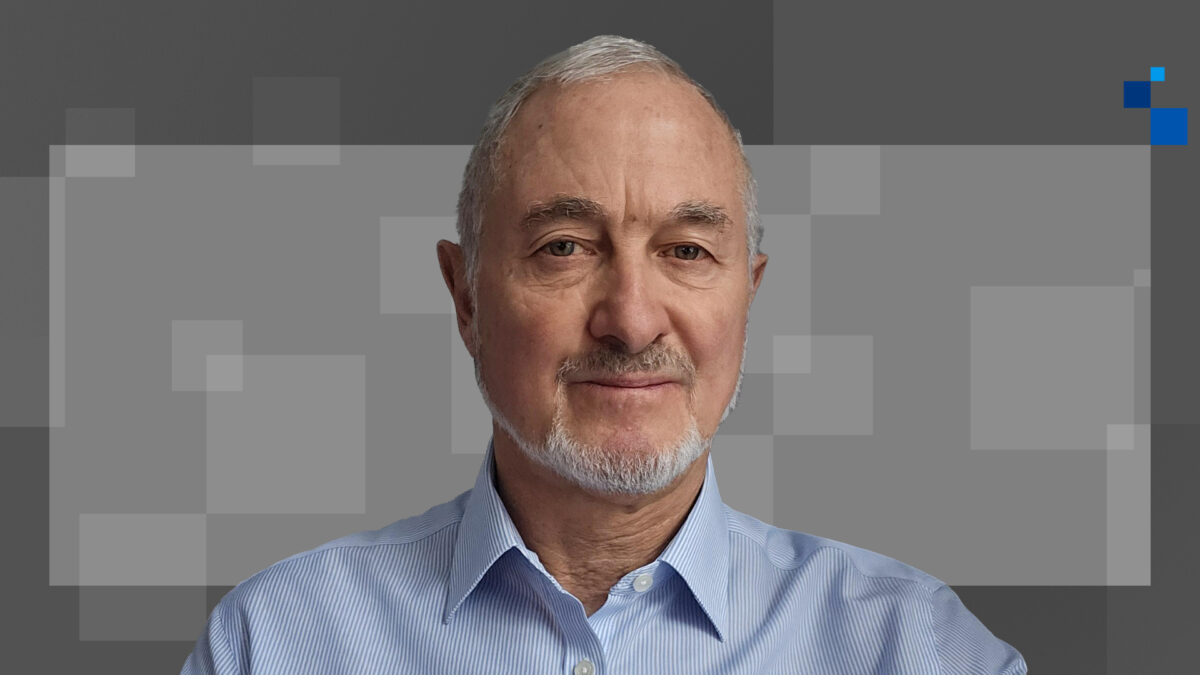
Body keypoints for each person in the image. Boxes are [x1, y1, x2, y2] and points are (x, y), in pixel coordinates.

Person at [182, 35, 1027, 674]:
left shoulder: (919, 653)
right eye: (565, 247)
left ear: (749, 295)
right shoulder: (278, 644)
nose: (630, 320)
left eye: (687, 251)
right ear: (466, 294)